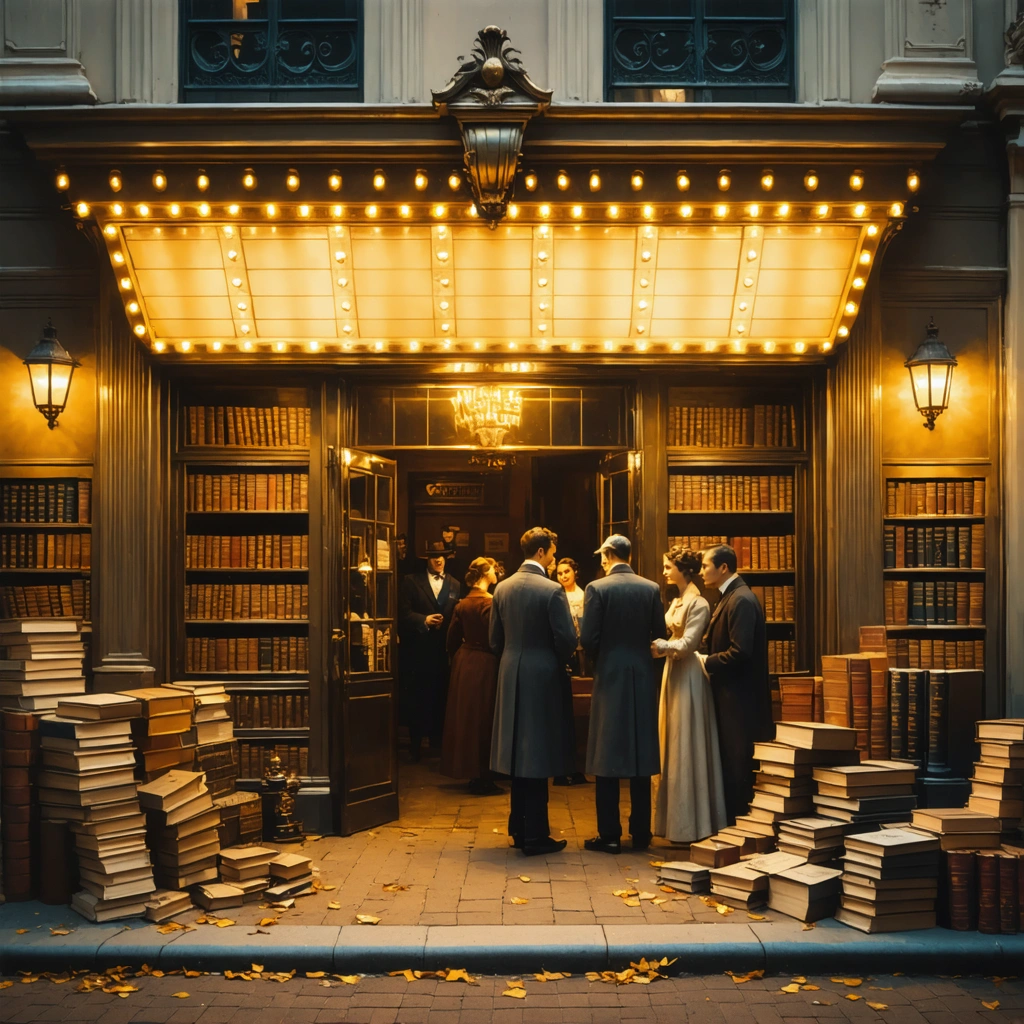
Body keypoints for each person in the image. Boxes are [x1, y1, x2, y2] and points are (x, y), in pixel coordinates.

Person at [490, 527, 578, 856]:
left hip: (510, 671)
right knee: (538, 753)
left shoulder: (502, 588)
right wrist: (556, 658)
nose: (554, 558)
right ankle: (536, 834)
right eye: (552, 552)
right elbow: (567, 640)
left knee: (518, 753)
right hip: (542, 675)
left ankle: (518, 827)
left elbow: (494, 640)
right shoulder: (552, 590)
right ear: (541, 552)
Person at [580, 534, 667, 853]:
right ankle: (641, 832)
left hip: (610, 673)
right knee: (640, 753)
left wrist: (599, 659)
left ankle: (609, 834)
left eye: (603, 556)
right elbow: (659, 635)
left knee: (606, 752)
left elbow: (588, 638)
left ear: (608, 554)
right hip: (641, 673)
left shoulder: (597, 588)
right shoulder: (650, 588)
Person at [651, 547, 728, 844]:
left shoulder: (699, 603)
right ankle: (673, 823)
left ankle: (691, 824)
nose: (664, 572)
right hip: (673, 673)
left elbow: (687, 644)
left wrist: (661, 645)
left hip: (689, 675)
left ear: (683, 570)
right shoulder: (677, 600)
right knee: (671, 740)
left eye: (668, 567)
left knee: (685, 741)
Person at [699, 543, 771, 824]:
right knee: (731, 763)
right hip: (732, 697)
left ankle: (739, 827)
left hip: (740, 701)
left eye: (705, 566)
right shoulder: (730, 596)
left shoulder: (740, 599)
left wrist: (706, 661)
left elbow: (740, 652)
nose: (701, 572)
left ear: (723, 568)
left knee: (738, 764)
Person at [441, 557, 502, 795]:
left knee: (466, 718)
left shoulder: (463, 604)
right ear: (485, 574)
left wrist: (458, 657)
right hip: (485, 663)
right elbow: (496, 638)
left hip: (464, 663)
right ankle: (484, 774)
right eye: (493, 569)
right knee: (484, 717)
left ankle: (471, 771)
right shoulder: (490, 603)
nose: (496, 572)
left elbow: (451, 639)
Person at [398, 540, 462, 762]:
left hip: (443, 651)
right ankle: (415, 745)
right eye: (434, 556)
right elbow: (402, 614)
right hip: (417, 650)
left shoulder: (455, 584)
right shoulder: (411, 581)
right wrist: (423, 620)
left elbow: (457, 616)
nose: (438, 560)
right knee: (417, 698)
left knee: (441, 697)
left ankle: (438, 745)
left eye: (442, 556)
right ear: (427, 559)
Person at [553, 557, 589, 788]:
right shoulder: (556, 595)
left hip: (582, 650)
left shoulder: (583, 595)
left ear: (575, 572)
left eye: (567, 572)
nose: (563, 576)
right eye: (559, 573)